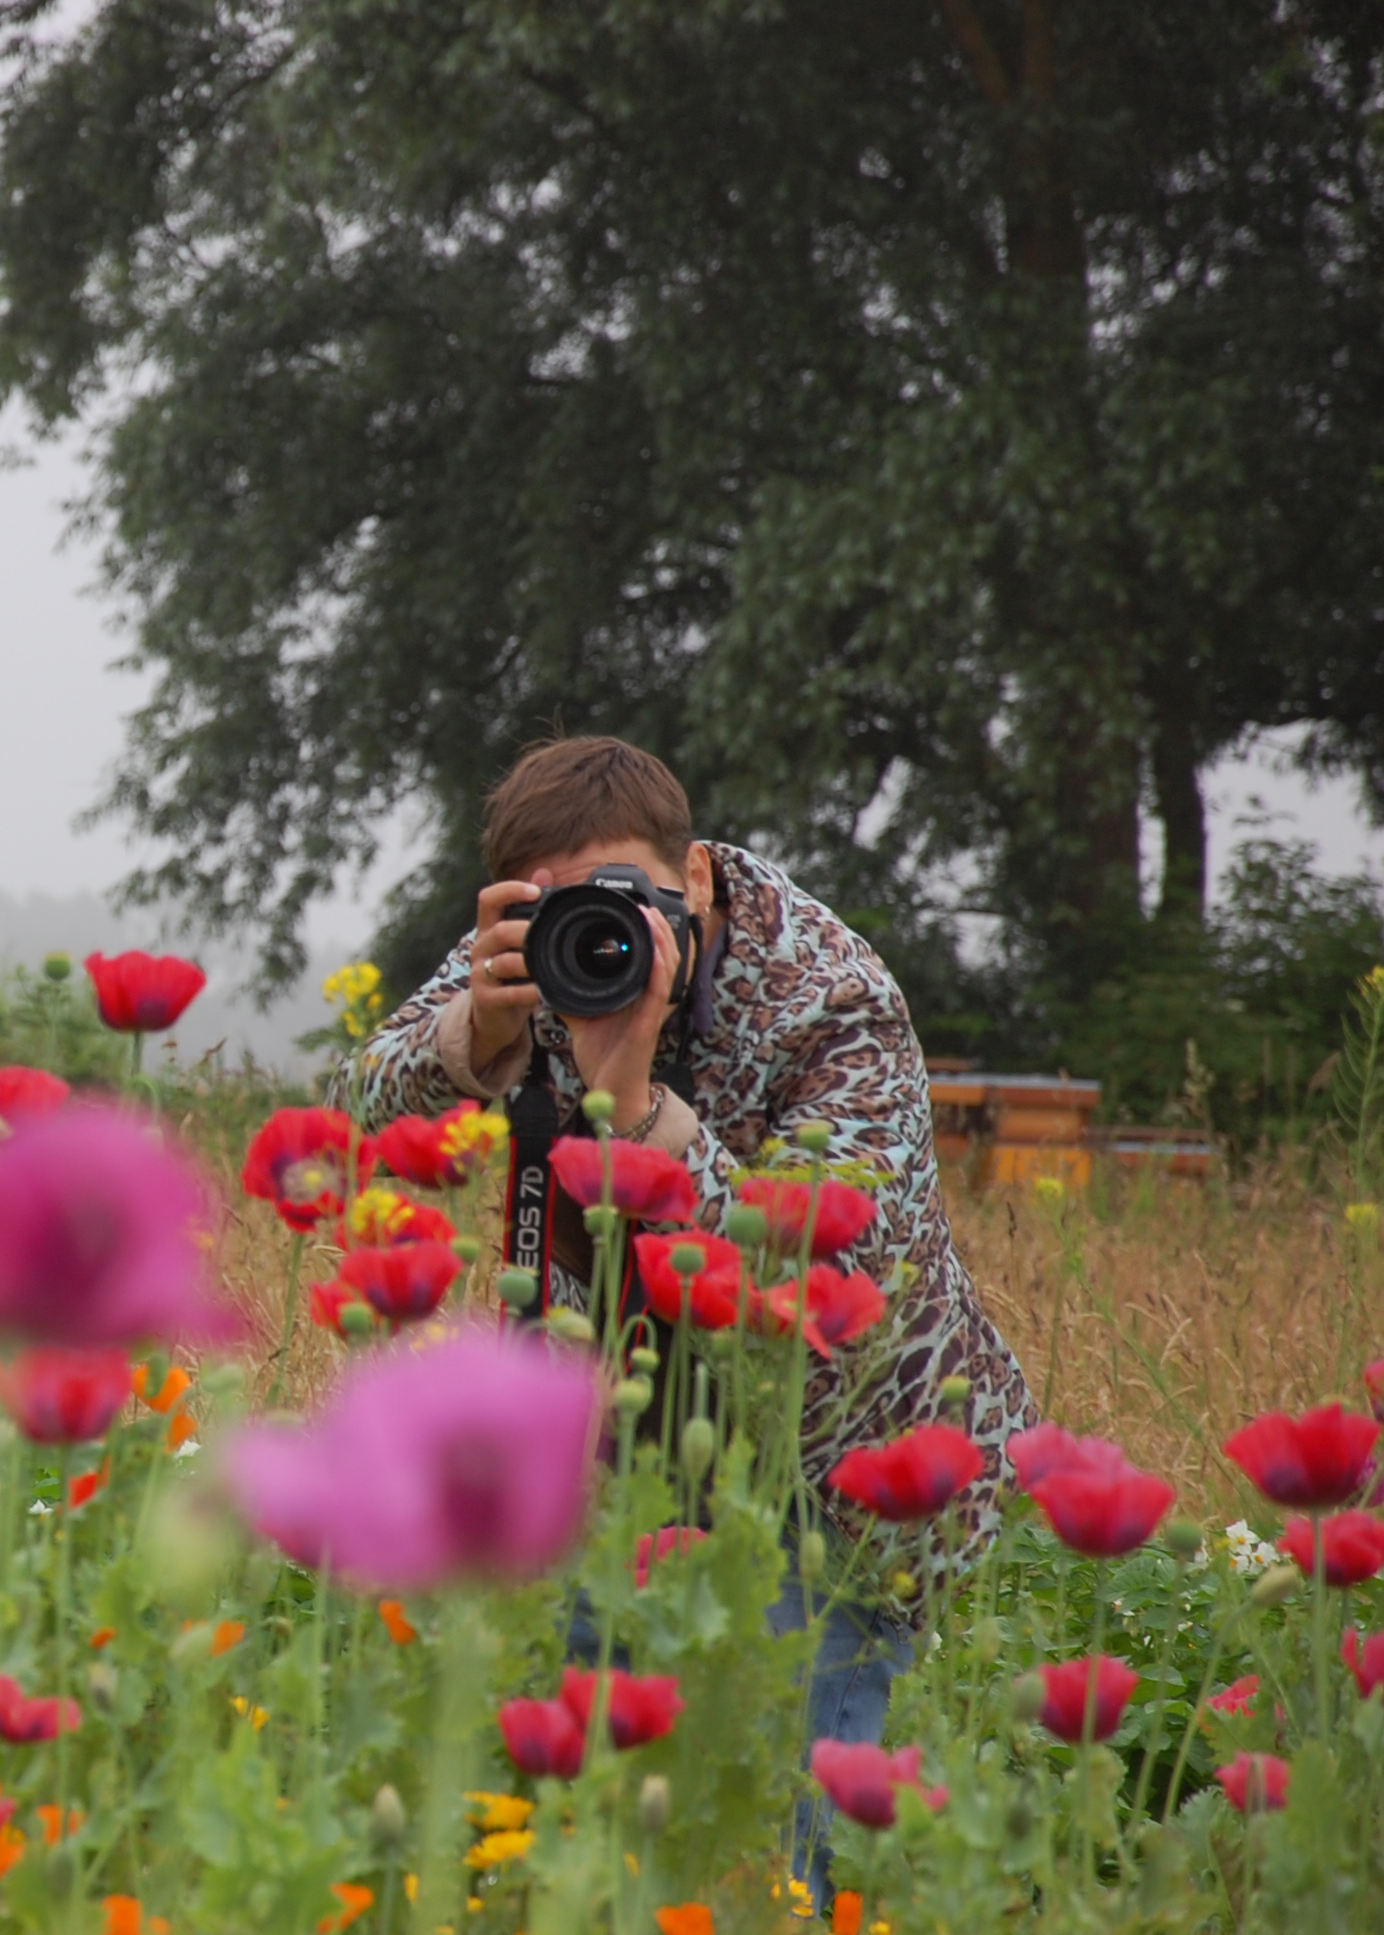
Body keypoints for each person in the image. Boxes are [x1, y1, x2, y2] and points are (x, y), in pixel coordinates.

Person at [336, 735, 1035, 1906]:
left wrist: (635, 1108)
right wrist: (476, 1035)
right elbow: (360, 1106)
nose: (598, 932)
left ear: (695, 877)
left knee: (798, 1839)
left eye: (629, 900)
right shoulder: (534, 938)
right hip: (623, 1452)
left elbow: (834, 1247)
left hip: (842, 1466)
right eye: (560, 906)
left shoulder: (830, 993)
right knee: (589, 1816)